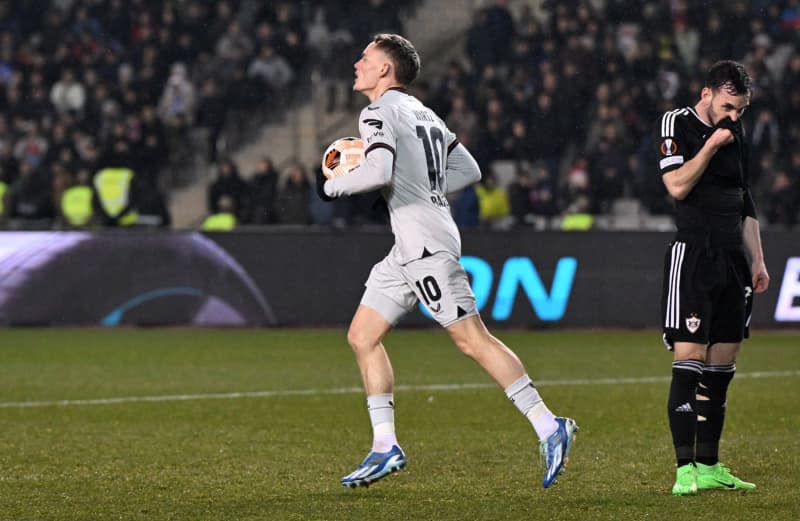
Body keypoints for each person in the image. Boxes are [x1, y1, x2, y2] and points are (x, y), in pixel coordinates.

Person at [316, 33, 577, 490]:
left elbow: (376, 172)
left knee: (473, 340)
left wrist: (335, 186)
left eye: (366, 58)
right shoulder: (425, 112)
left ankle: (548, 424)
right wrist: (425, 187)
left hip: (425, 245)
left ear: (385, 70)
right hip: (411, 244)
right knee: (362, 336)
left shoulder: (377, 112)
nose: (358, 63)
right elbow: (469, 170)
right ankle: (385, 447)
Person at [656, 60, 770, 496]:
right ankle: (684, 469)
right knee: (688, 364)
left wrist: (757, 260)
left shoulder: (736, 132)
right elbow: (677, 186)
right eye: (727, 106)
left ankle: (709, 465)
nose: (734, 117)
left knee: (721, 370)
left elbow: (745, 200)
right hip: (694, 257)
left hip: (733, 260)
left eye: (740, 110)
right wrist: (710, 146)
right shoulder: (677, 123)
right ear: (706, 94)